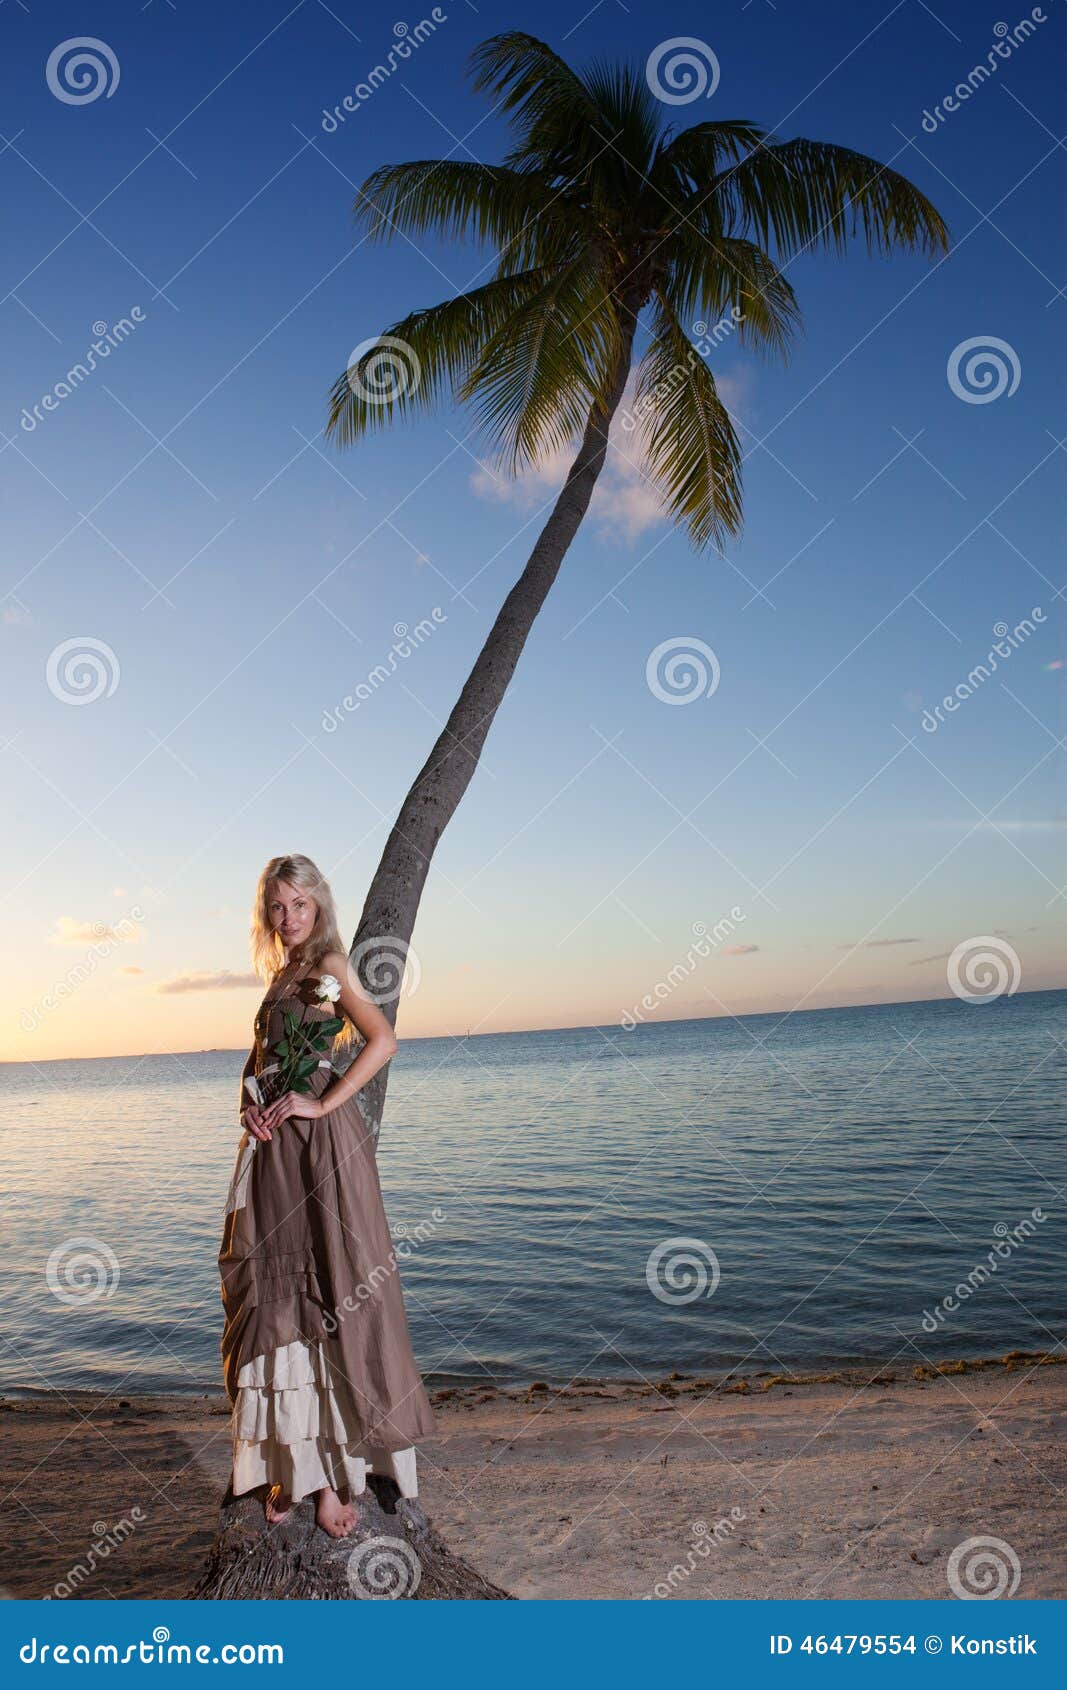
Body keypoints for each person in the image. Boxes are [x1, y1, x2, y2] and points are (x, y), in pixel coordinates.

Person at [218, 852, 437, 1540]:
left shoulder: (331, 967)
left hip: (321, 1154)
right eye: (277, 907)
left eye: (299, 906)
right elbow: (260, 1066)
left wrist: (322, 1105)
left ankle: (335, 1481)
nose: (287, 919)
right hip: (274, 1151)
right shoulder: (279, 975)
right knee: (275, 1297)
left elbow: (382, 1041)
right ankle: (294, 1466)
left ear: (319, 907)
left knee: (333, 1294)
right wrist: (247, 1112)